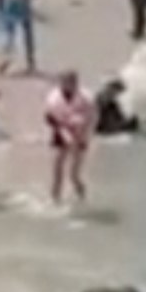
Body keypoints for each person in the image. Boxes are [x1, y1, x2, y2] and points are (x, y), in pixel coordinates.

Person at [44, 70, 95, 204]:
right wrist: (63, 132)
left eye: (73, 82)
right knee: (57, 168)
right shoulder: (53, 98)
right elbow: (49, 118)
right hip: (60, 128)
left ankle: (82, 198)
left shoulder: (86, 98)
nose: (70, 85)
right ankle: (55, 199)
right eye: (66, 82)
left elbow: (91, 118)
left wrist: (81, 137)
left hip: (80, 132)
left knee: (74, 174)